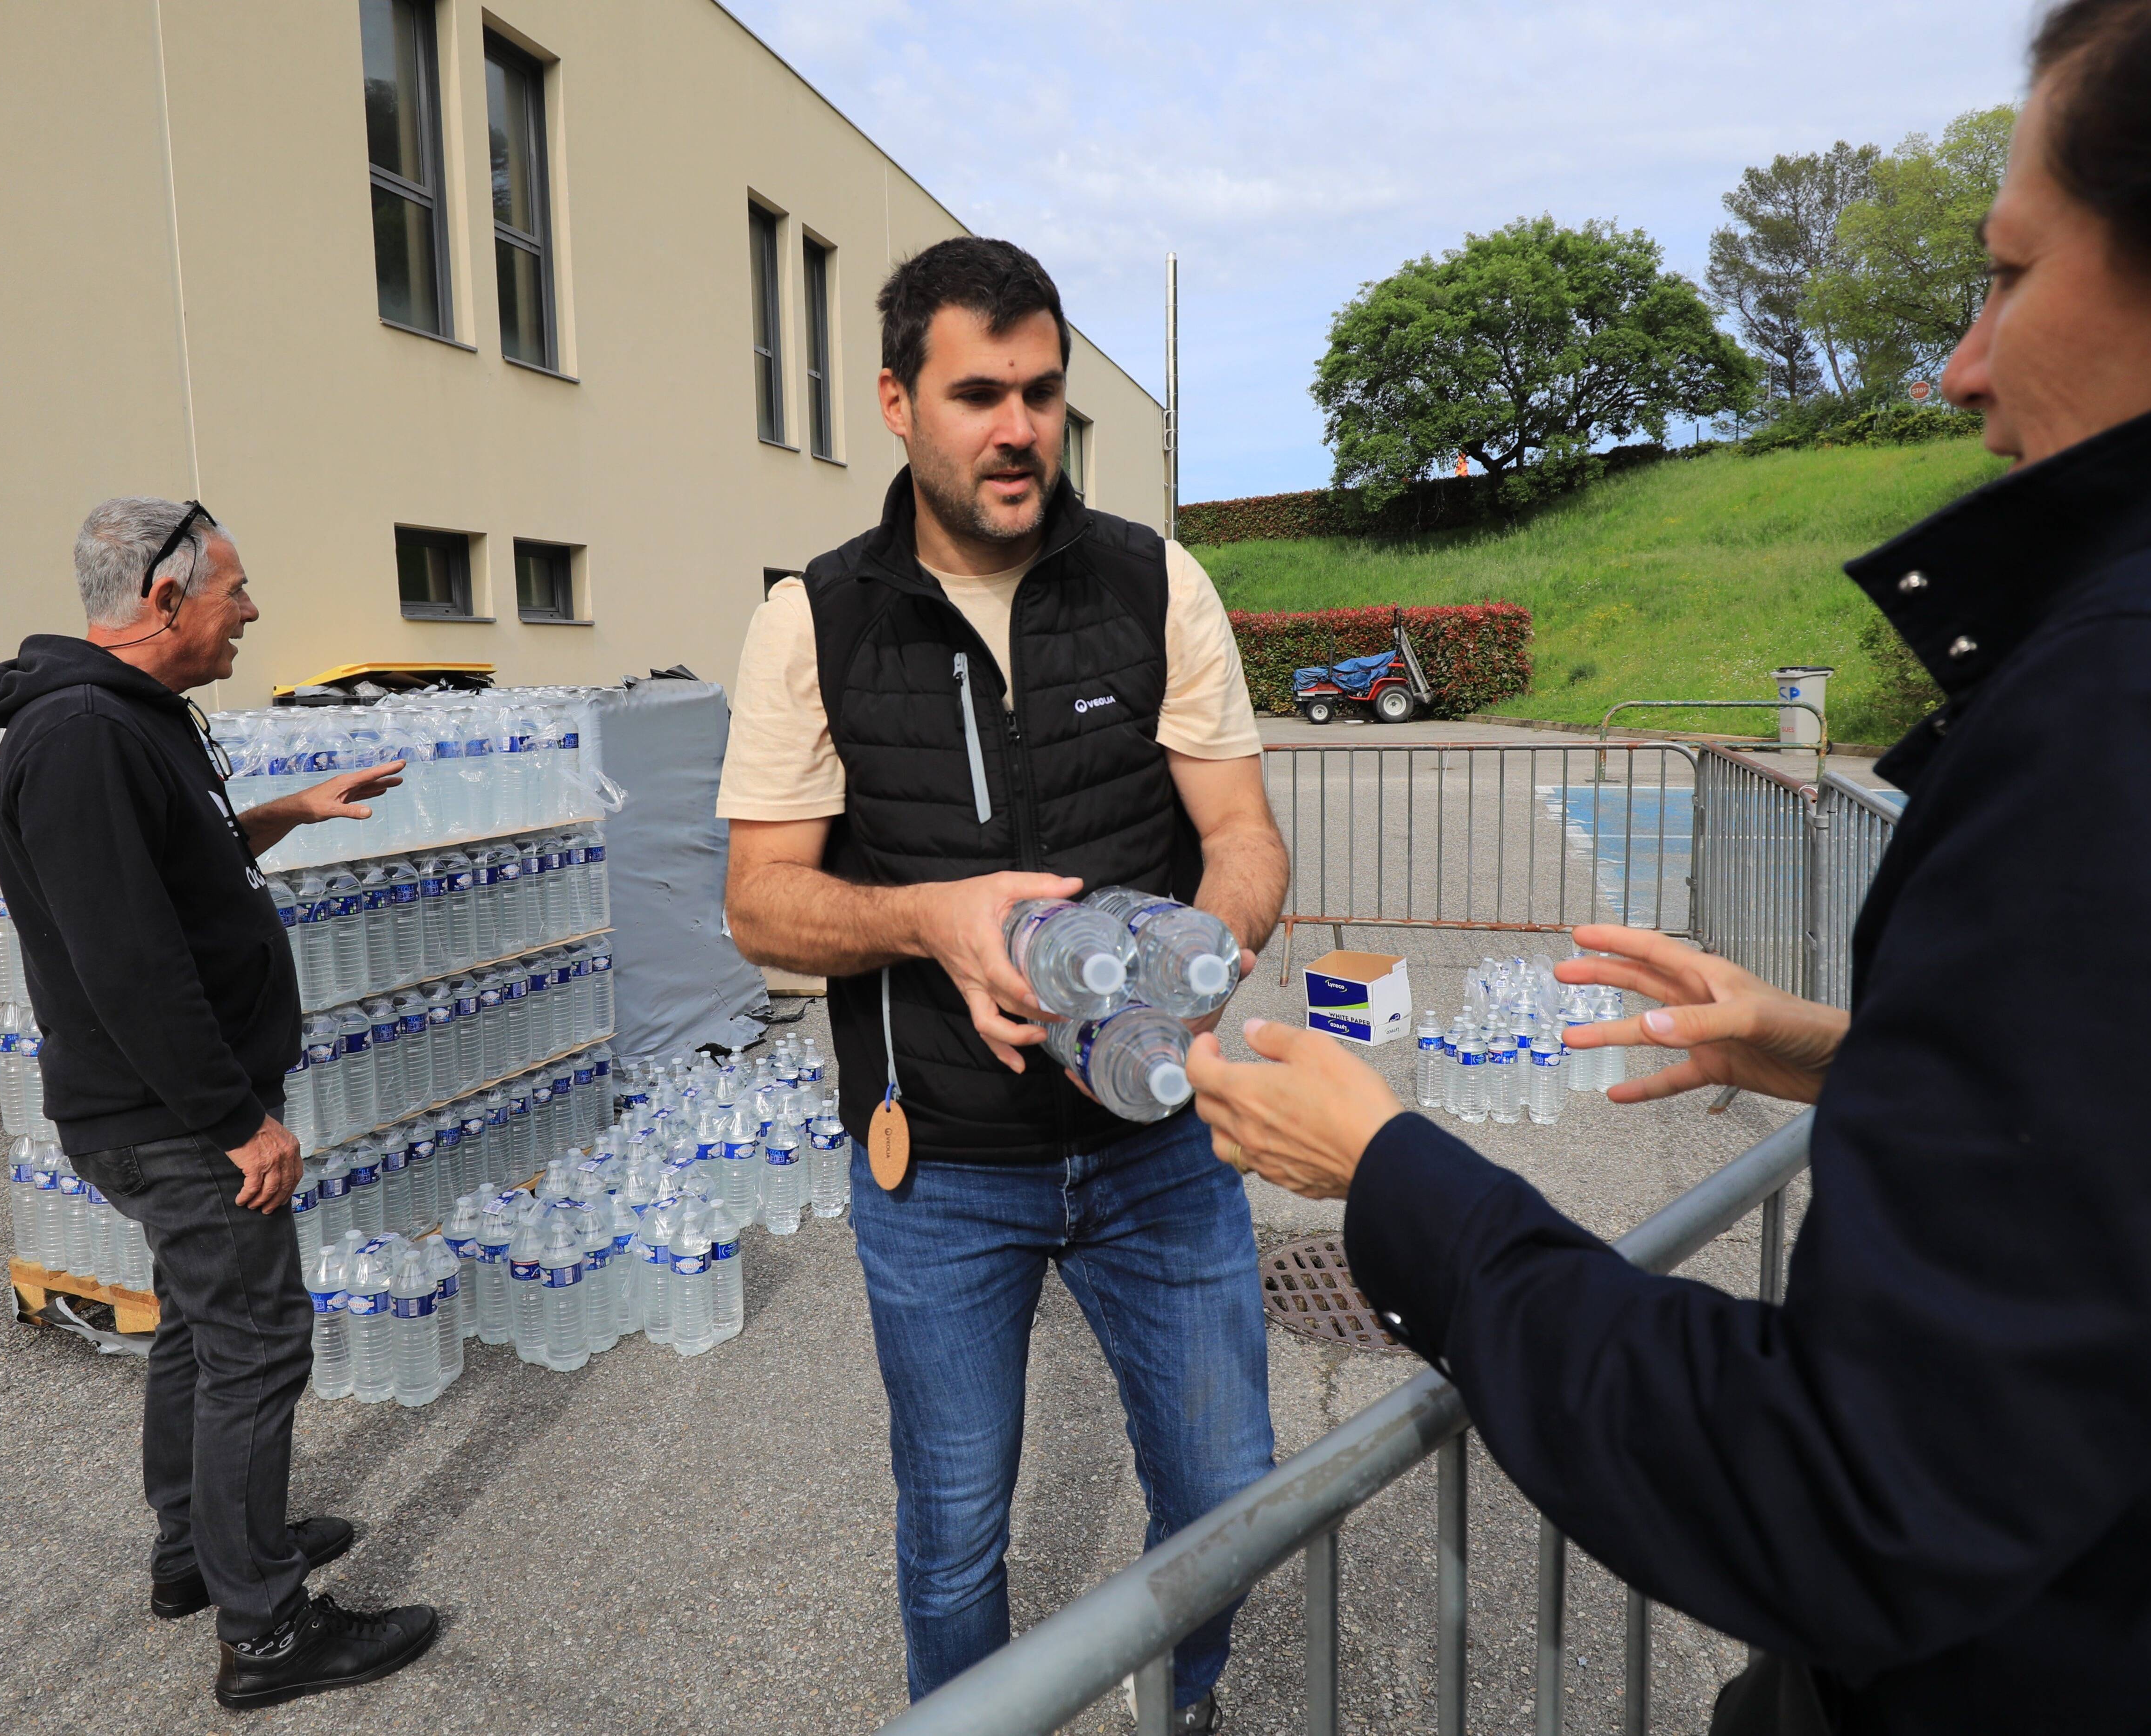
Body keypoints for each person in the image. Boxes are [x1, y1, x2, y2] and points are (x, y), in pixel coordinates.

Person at [1186, 6, 2151, 1729]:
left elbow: (1849, 1492)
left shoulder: (2110, 712)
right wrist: (1844, 1059)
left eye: (2005, 272)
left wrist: (1396, 1173)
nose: (1959, 365)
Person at [720, 237, 1290, 1726]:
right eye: (981, 393)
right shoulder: (816, 619)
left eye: (1041, 391)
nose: (1019, 427)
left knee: (1234, 1492)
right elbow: (759, 904)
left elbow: (1242, 841)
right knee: (957, 1529)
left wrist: (1197, 968)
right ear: (900, 403)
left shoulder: (1157, 585)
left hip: (1158, 1148)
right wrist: (933, 922)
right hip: (943, 1171)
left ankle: (1185, 1705)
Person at [0, 498, 440, 1711]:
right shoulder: (78, 741)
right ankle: (267, 1633)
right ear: (164, 601)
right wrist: (237, 1122)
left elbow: (172, 877)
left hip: (168, 1107)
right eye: (234, 591)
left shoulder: (125, 726)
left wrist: (281, 814)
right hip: (171, 1116)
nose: (251, 612)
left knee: (196, 1325)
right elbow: (129, 960)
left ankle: (200, 1554)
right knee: (256, 1344)